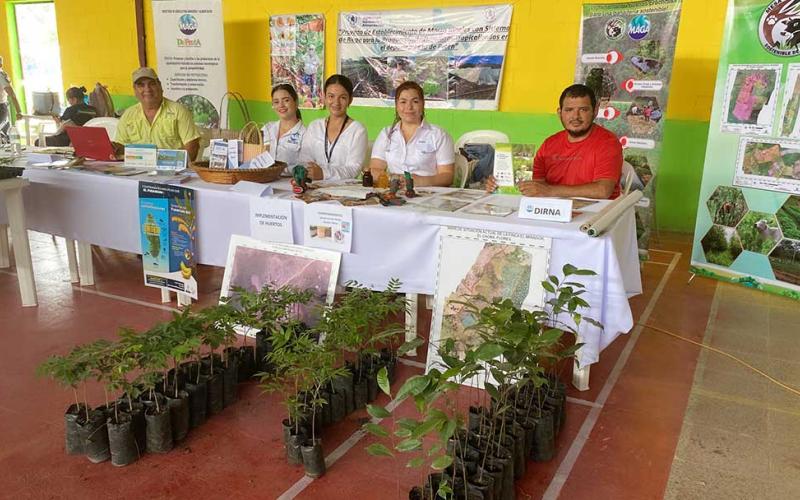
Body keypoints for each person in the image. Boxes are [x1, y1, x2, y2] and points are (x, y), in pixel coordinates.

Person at [486, 84, 622, 199]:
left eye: (583, 110)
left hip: (596, 218)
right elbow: (536, 183)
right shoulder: (550, 143)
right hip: (552, 211)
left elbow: (603, 191)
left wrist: (549, 191)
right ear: (559, 112)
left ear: (595, 111)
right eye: (569, 110)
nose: (575, 116)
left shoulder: (608, 143)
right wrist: (502, 183)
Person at [369, 81, 454, 187]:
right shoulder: (386, 134)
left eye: (415, 101)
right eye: (403, 102)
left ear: (423, 104)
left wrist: (421, 181)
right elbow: (375, 169)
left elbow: (447, 176)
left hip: (428, 194)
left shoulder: (438, 135)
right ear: (396, 105)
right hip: (394, 192)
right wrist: (394, 179)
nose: (409, 107)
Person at [114, 67, 200, 160]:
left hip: (171, 170)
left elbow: (192, 146)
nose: (147, 89)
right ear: (135, 90)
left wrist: (171, 162)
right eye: (141, 85)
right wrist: (112, 148)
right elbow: (121, 146)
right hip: (137, 169)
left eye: (151, 84)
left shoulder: (178, 111)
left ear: (159, 86)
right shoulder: (128, 115)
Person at [300, 74, 367, 181]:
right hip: (313, 186)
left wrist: (324, 173)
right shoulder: (314, 126)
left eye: (343, 97)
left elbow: (354, 169)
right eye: (331, 96)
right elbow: (304, 160)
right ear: (324, 97)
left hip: (343, 191)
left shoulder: (358, 130)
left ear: (350, 100)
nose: (336, 102)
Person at [262, 84, 305, 170]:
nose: (281, 105)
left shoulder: (305, 134)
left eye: (286, 100)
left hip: (289, 182)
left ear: (296, 102)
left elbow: (306, 166)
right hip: (263, 180)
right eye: (276, 102)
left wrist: (278, 170)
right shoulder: (267, 129)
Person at [0, 56, 21, 142]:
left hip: (1, 108)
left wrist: (18, 111)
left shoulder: (1, 76)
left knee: (6, 138)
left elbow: (12, 94)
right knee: (5, 137)